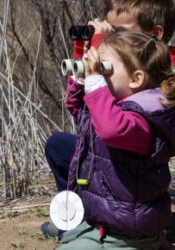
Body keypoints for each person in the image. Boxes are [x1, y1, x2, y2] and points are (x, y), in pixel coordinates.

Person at [41, 0, 175, 238]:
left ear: (155, 34)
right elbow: (81, 109)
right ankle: (77, 214)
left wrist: (100, 53)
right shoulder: (123, 71)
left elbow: (116, 125)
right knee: (59, 146)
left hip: (135, 171)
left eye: (119, 31)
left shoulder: (163, 73)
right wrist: (83, 58)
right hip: (112, 157)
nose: (111, 35)